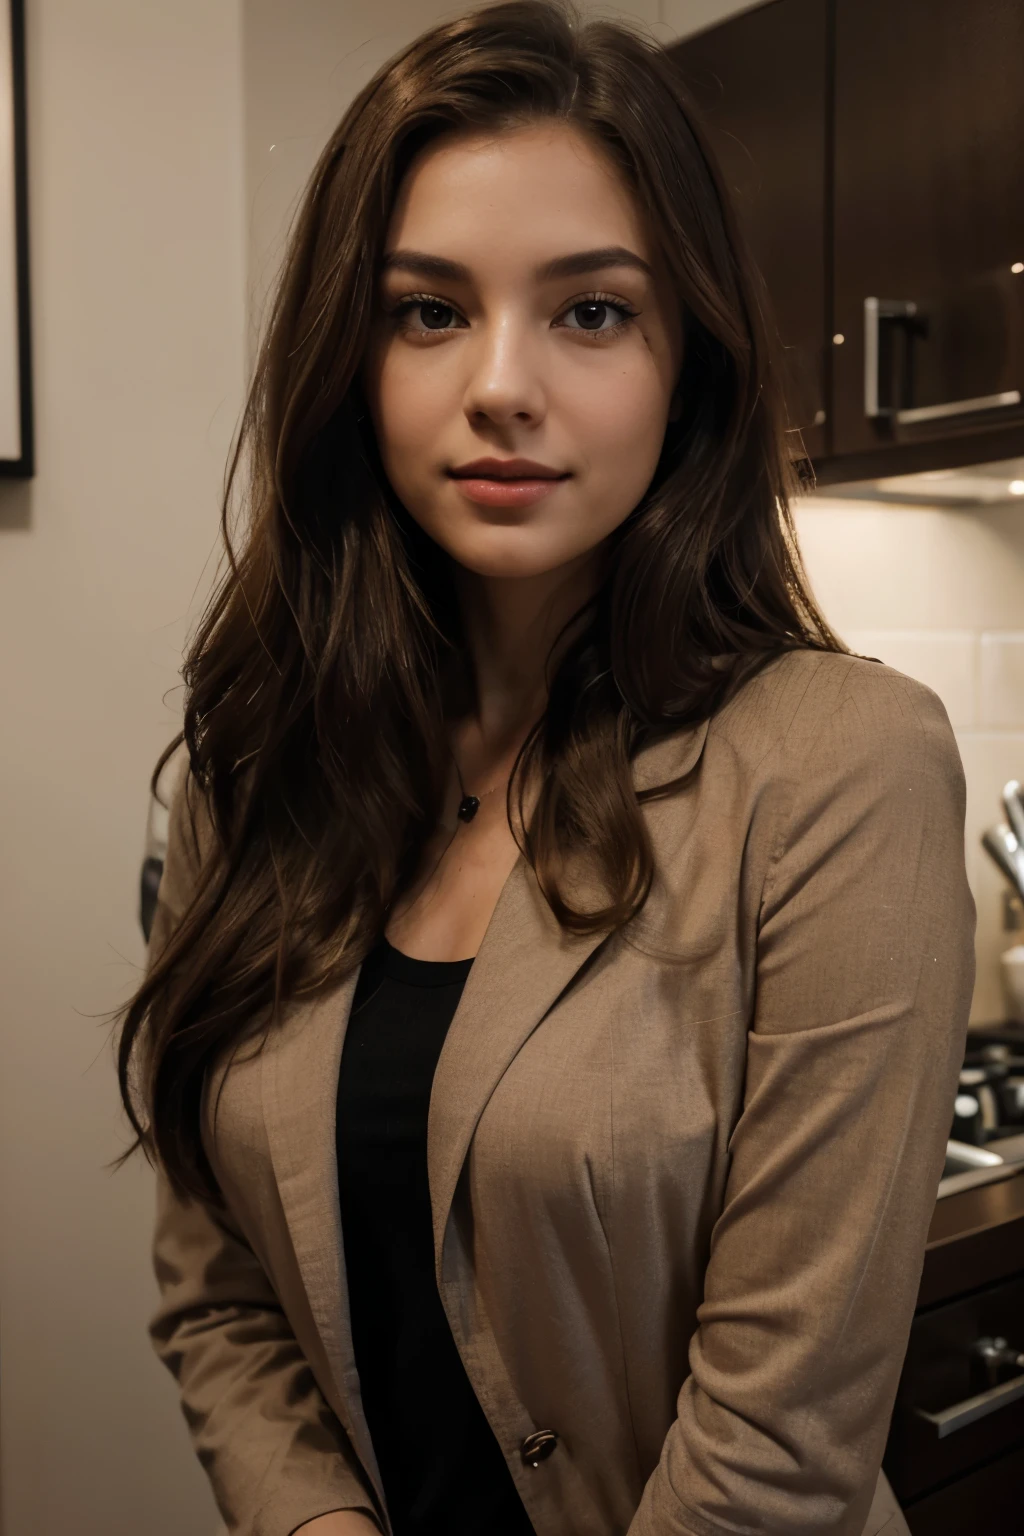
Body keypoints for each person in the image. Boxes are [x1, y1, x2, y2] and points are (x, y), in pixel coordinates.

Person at [114, 3, 976, 1534]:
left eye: (589, 313)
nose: (502, 383)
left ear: (686, 364)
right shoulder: (256, 771)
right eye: (428, 312)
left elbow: (781, 1445)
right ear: (350, 359)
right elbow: (221, 1294)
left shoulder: (844, 766)